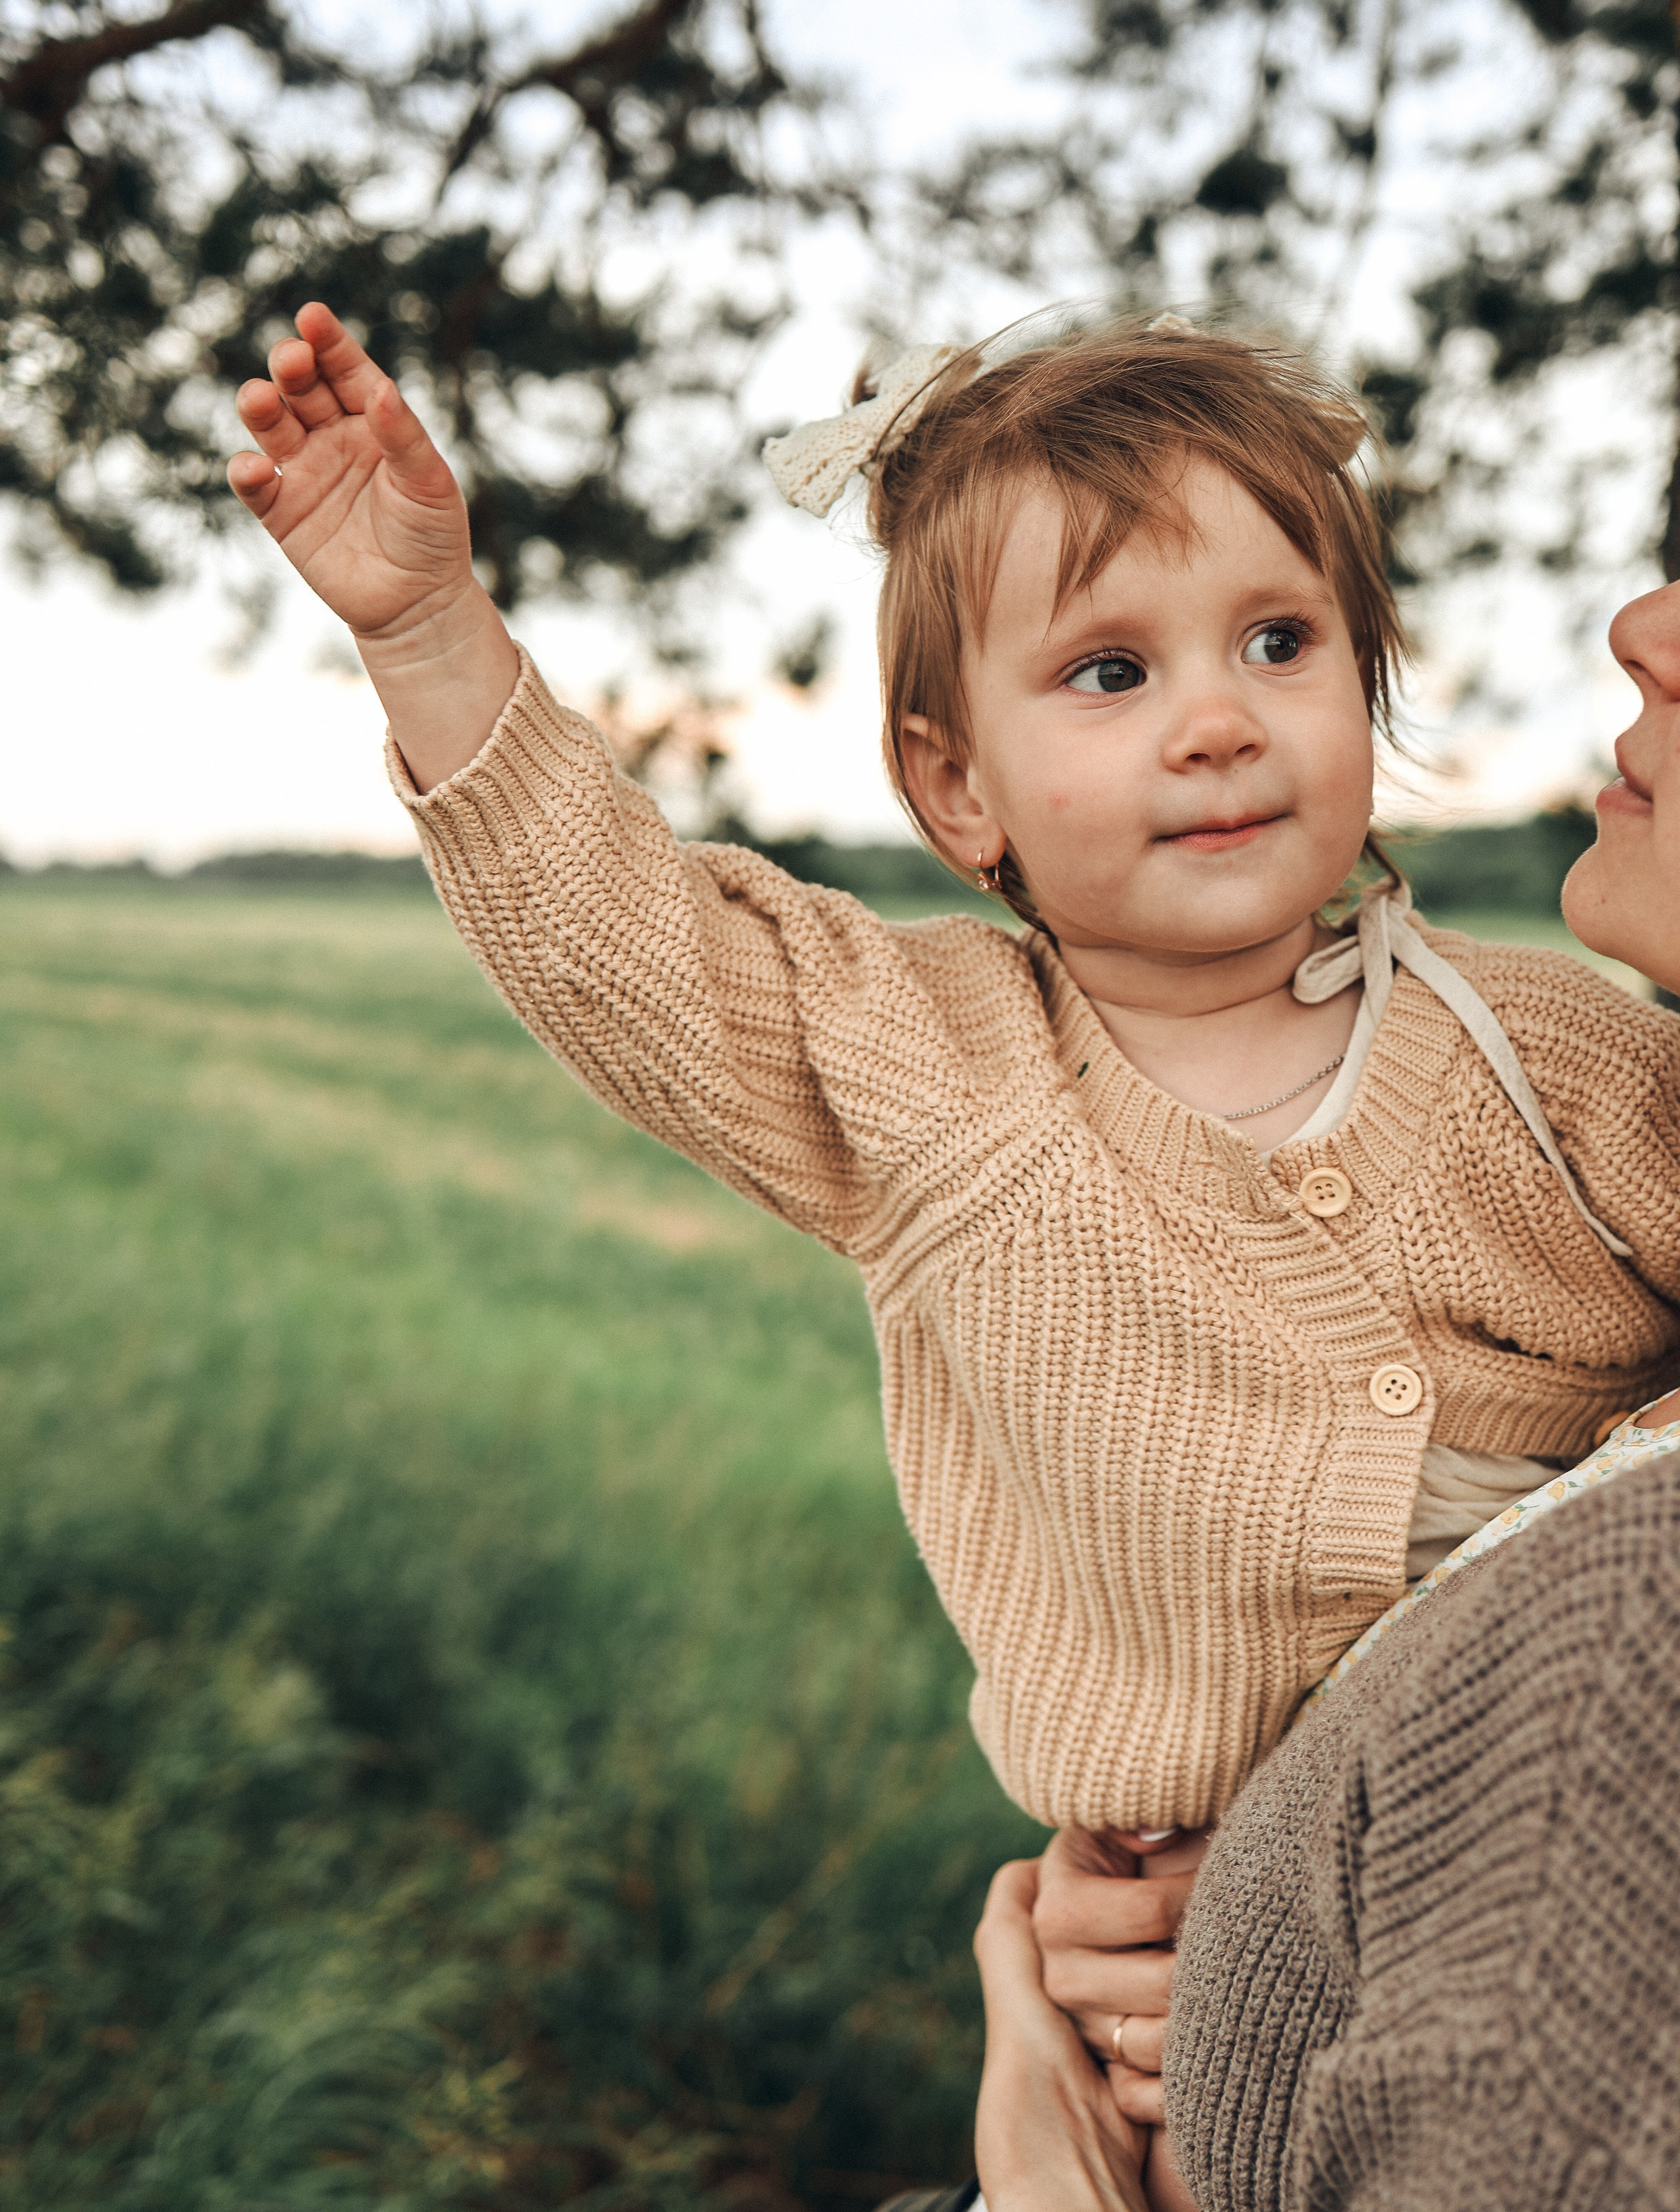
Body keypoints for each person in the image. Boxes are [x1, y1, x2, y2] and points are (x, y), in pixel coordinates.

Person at [228, 302, 1680, 2200]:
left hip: (1542, 1849)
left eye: (1279, 640)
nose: (1219, 716)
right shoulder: (934, 1064)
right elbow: (630, 940)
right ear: (957, 789)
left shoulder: (1563, 1053)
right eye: (1105, 669)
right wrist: (427, 636)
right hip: (1191, 1969)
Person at [967, 573, 1680, 2211]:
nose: (1640, 626)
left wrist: (1042, 2187)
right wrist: (1303, 1896)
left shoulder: (1641, 1625)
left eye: (1278, 643)